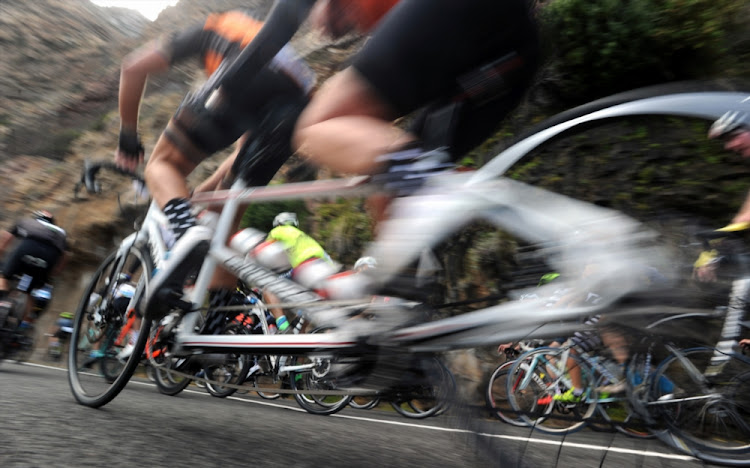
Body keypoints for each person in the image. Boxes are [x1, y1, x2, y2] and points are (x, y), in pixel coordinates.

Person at [112, 9, 316, 320]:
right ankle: (218, 322)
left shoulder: (214, 27)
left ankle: (184, 233)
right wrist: (197, 197)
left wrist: (128, 134)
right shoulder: (279, 48)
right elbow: (237, 159)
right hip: (299, 101)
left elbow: (132, 67)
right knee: (226, 215)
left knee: (162, 164)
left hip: (246, 70)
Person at [260, 212, 332, 332]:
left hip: (305, 267)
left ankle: (283, 326)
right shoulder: (304, 237)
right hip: (325, 270)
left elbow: (263, 253)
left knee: (268, 289)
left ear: (278, 224)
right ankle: (300, 333)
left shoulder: (278, 231)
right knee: (310, 301)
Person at [0, 210, 67, 328]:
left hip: (27, 248)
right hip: (49, 257)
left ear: (36, 218)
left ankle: (3, 303)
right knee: (29, 292)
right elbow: (64, 256)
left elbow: (7, 238)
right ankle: (25, 323)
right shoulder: (60, 232)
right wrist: (53, 273)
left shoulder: (27, 221)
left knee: (4, 277)